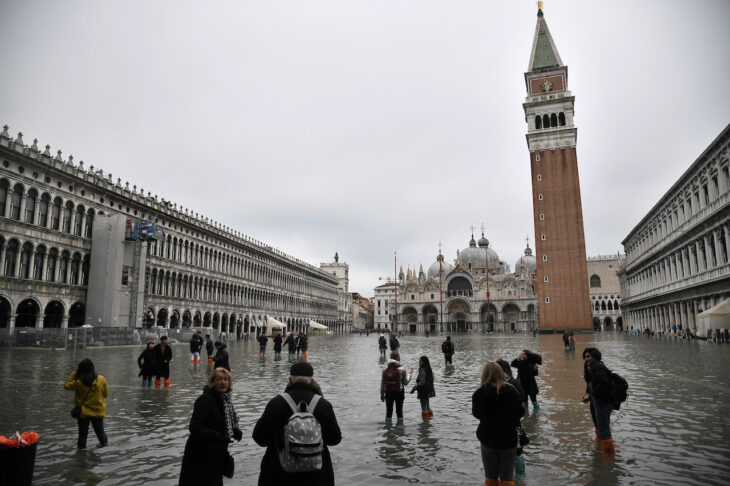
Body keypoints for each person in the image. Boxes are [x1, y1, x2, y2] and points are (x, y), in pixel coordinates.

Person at [252, 362, 342, 486]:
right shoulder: (323, 405)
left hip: (278, 475)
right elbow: (335, 439)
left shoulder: (276, 404)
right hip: (317, 477)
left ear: (290, 380)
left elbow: (259, 438)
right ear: (312, 381)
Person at [179, 367, 242, 485]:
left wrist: (235, 430)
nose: (223, 382)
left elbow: (222, 423)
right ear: (212, 382)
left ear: (229, 383)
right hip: (199, 456)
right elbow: (194, 427)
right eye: (219, 380)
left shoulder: (226, 400)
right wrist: (218, 436)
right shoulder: (205, 400)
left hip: (215, 455)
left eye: (225, 379)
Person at [471, 362, 524, 486]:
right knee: (507, 477)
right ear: (501, 373)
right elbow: (520, 413)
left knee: (490, 477)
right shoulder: (512, 391)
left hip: (488, 439)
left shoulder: (479, 393)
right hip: (508, 439)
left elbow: (476, 414)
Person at [64, 358, 109, 449]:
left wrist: (75, 372)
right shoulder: (101, 379)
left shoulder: (79, 382)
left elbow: (66, 385)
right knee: (100, 432)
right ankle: (104, 448)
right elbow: (105, 394)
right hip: (98, 411)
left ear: (81, 370)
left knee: (82, 435)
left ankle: (81, 453)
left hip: (83, 413)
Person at [582, 347, 615, 456]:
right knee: (599, 426)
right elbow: (591, 384)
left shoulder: (597, 367)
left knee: (604, 430)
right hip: (595, 402)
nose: (586, 359)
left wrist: (595, 394)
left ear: (595, 357)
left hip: (602, 402)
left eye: (588, 357)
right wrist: (588, 395)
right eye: (585, 357)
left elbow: (604, 383)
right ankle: (600, 446)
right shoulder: (591, 367)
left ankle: (609, 458)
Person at [380, 351, 412, 425]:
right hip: (399, 392)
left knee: (388, 411)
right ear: (398, 358)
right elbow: (405, 383)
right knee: (399, 411)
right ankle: (400, 431)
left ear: (390, 358)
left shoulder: (385, 369)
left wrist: (382, 394)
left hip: (388, 392)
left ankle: (388, 431)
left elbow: (382, 383)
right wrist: (410, 374)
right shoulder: (402, 369)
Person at [411, 355, 435, 420]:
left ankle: (425, 423)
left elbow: (422, 382)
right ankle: (430, 419)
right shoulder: (429, 369)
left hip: (423, 390)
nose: (419, 362)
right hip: (428, 389)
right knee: (427, 405)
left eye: (421, 361)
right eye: (419, 361)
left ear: (424, 362)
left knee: (424, 407)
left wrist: (414, 387)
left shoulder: (422, 369)